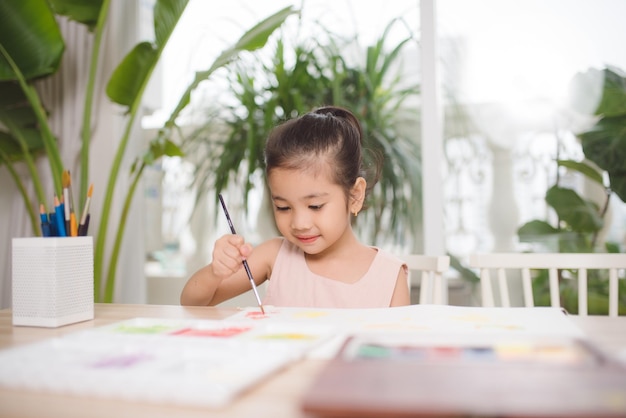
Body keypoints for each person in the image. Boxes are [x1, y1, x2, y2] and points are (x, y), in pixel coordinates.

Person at [180, 106, 410, 308]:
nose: (299, 223)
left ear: (355, 195)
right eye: (283, 207)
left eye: (315, 206)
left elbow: (397, 352)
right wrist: (215, 271)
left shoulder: (389, 276)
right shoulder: (274, 255)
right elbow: (192, 303)